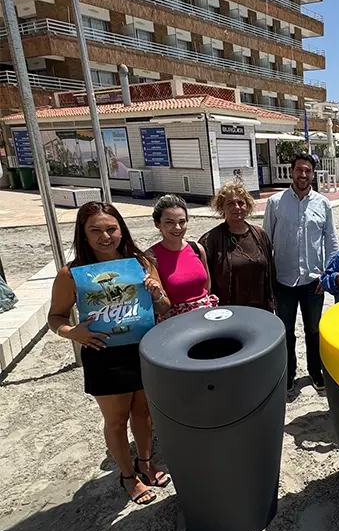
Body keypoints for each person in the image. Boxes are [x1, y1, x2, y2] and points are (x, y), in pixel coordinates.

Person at [47, 202, 171, 505]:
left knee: (144, 414)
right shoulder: (72, 273)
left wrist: (156, 293)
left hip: (143, 349)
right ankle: (128, 476)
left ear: (121, 229)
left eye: (111, 228)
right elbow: (56, 317)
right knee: (116, 420)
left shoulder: (141, 262)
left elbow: (164, 306)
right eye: (96, 230)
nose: (105, 236)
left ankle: (145, 462)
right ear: (83, 235)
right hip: (103, 354)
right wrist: (72, 333)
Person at [264, 153, 337, 393]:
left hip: (313, 281)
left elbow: (331, 242)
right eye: (298, 170)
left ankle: (315, 372)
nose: (303, 174)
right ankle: (289, 373)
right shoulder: (275, 203)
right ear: (291, 171)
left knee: (314, 330)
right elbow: (267, 243)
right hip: (283, 280)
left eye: (307, 170)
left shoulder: (323, 204)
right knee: (285, 330)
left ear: (313, 174)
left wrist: (327, 276)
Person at [199, 181, 276, 312]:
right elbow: (204, 281)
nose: (237, 207)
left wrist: (272, 302)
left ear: (248, 206)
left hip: (260, 310)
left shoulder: (260, 234)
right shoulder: (210, 240)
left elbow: (271, 271)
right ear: (221, 207)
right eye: (230, 203)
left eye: (241, 203)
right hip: (228, 311)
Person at [148, 194, 217, 321]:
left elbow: (206, 287)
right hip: (175, 323)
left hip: (206, 317)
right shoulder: (150, 257)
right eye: (169, 222)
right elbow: (159, 306)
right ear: (157, 224)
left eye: (182, 222)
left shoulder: (197, 248)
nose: (177, 228)